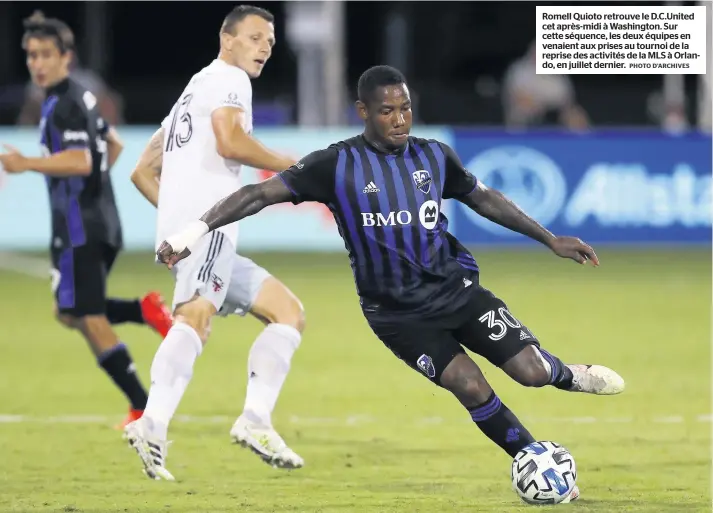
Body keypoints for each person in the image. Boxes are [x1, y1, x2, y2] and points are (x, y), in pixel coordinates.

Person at [157, 65, 627, 497]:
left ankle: (568, 375)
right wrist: (191, 232)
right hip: (398, 317)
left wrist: (549, 240)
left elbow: (484, 198)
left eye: (405, 109)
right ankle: (533, 459)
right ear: (363, 112)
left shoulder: (433, 157)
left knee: (532, 373)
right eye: (387, 111)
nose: (400, 119)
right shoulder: (335, 165)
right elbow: (258, 193)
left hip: (457, 293)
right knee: (469, 385)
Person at [125, 5, 306, 480]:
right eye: (254, 37)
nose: (265, 46)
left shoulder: (193, 91)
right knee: (196, 317)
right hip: (209, 230)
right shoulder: (229, 80)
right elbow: (230, 142)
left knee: (288, 312)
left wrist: (177, 225)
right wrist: (285, 162)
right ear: (227, 40)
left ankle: (255, 420)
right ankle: (153, 423)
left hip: (200, 232)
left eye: (269, 40)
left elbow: (141, 171)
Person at [0, 14, 173, 429]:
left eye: (45, 55)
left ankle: (142, 408)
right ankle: (141, 309)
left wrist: (26, 163)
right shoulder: (81, 98)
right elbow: (111, 145)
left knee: (88, 317)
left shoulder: (65, 104)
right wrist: (93, 186)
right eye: (30, 56)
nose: (36, 63)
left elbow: (80, 160)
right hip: (91, 221)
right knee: (70, 311)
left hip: (82, 228)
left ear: (66, 57)